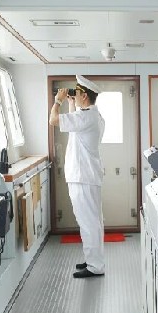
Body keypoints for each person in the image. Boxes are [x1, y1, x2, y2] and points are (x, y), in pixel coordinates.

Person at [49, 75, 106, 278]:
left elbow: (53, 120)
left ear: (84, 96)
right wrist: (71, 103)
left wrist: (58, 101)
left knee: (88, 223)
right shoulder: (93, 115)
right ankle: (93, 260)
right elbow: (75, 123)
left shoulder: (86, 117)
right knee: (92, 222)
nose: (75, 94)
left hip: (83, 177)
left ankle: (95, 266)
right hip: (86, 176)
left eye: (77, 92)